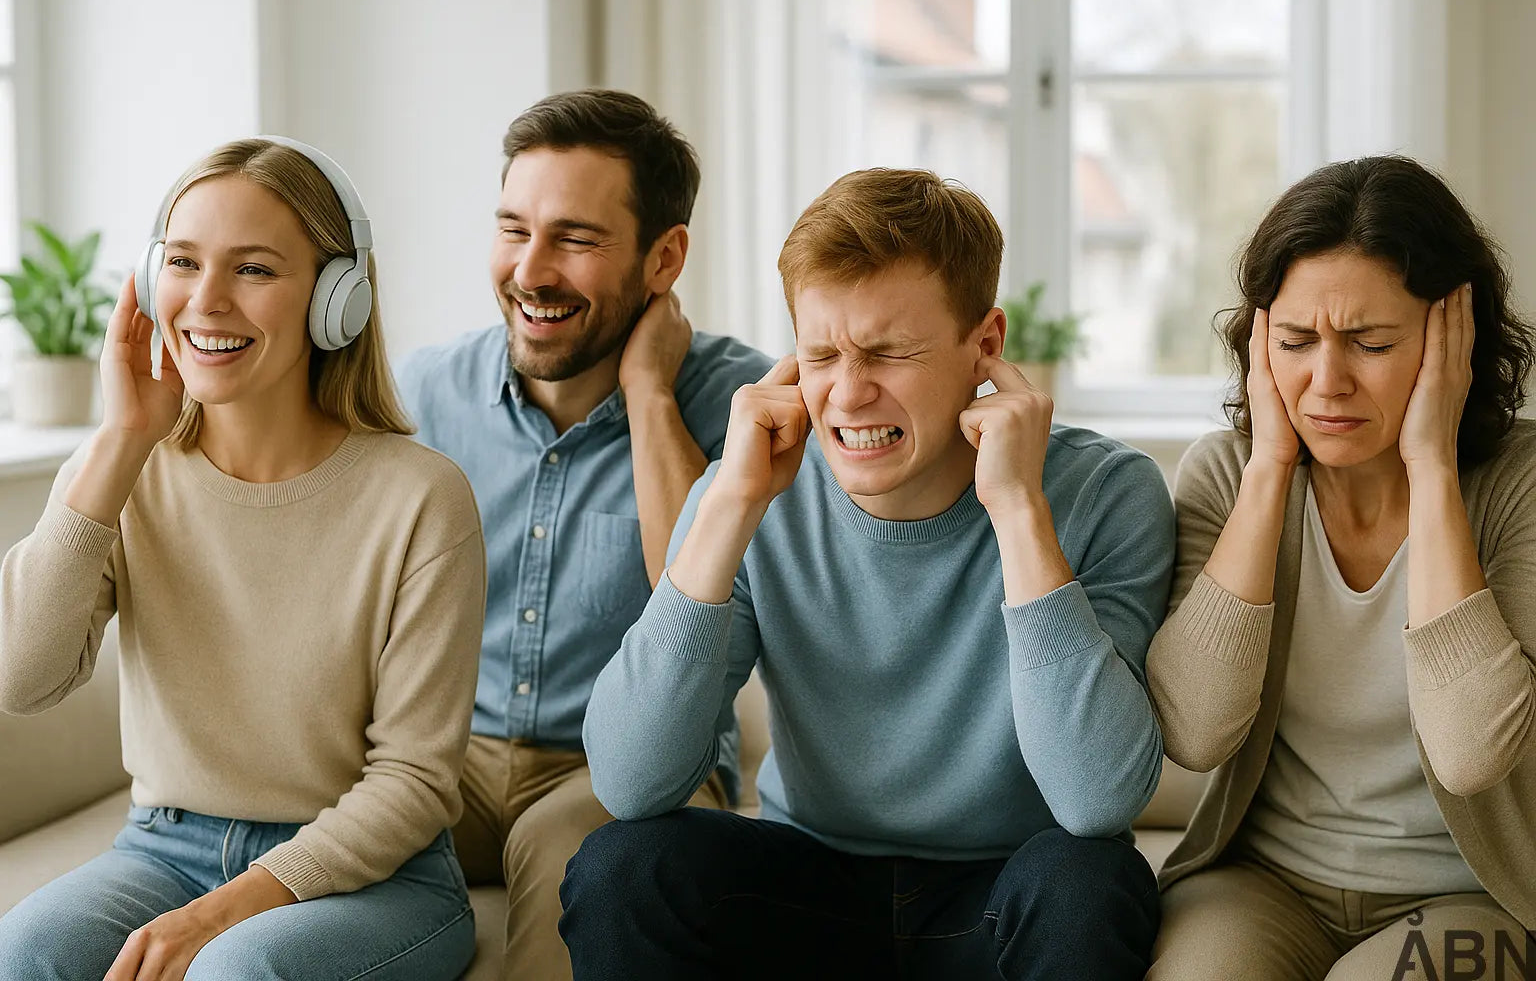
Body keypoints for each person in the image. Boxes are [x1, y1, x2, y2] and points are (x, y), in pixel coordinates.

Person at [559, 168, 1176, 981]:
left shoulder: (1106, 493)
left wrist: (1019, 510)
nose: (847, 394)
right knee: (620, 867)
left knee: (1091, 883)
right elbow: (632, 783)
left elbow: (1097, 800)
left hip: (1002, 897)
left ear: (985, 345)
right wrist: (729, 505)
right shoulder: (749, 488)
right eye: (822, 354)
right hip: (805, 886)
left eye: (889, 352)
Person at [0, 137, 485, 981]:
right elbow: (22, 678)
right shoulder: (124, 470)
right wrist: (118, 442)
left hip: (373, 879)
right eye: (184, 262)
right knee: (27, 952)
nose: (207, 301)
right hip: (162, 848)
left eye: (254, 270)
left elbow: (413, 781)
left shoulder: (422, 498)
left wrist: (223, 914)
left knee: (237, 972)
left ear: (338, 301)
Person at [395, 89, 771, 979]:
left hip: (626, 772)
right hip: (448, 756)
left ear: (663, 257)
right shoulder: (425, 393)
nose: (531, 270)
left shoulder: (743, 405)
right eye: (514, 229)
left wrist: (649, 396)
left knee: (573, 859)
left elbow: (697, 589)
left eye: (575, 238)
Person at [1145, 154, 1536, 980]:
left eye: (1372, 343)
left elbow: (1471, 753)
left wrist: (1430, 463)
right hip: (1260, 884)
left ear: (1451, 339)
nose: (1327, 382)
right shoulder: (1223, 476)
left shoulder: (1519, 486)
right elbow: (1194, 731)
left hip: (1465, 894)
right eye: (1294, 342)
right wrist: (1266, 472)